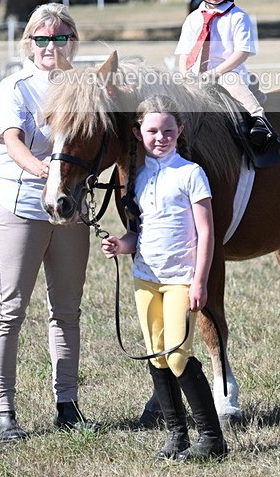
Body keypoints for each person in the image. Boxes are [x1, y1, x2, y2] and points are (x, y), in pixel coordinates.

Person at [0, 3, 100, 443]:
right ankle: (3, 410)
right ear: (29, 43)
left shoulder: (86, 86)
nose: (51, 46)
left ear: (73, 41)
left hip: (73, 212)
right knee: (10, 310)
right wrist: (42, 169)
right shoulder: (15, 86)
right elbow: (12, 138)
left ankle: (67, 405)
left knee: (67, 311)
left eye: (60, 37)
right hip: (21, 208)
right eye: (42, 38)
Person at [101, 95, 228, 461]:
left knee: (176, 355)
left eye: (168, 130)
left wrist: (200, 281)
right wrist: (121, 245)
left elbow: (206, 233)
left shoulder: (191, 173)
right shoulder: (138, 177)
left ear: (180, 131)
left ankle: (212, 438)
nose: (160, 137)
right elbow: (137, 232)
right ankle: (177, 436)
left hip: (180, 279)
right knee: (156, 356)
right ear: (138, 133)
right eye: (152, 130)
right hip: (145, 277)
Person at [175, 0, 279, 149]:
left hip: (227, 72)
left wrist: (216, 73)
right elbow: (184, 52)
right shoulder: (193, 19)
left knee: (232, 82)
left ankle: (259, 119)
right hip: (195, 75)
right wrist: (184, 75)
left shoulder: (238, 17)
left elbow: (242, 52)